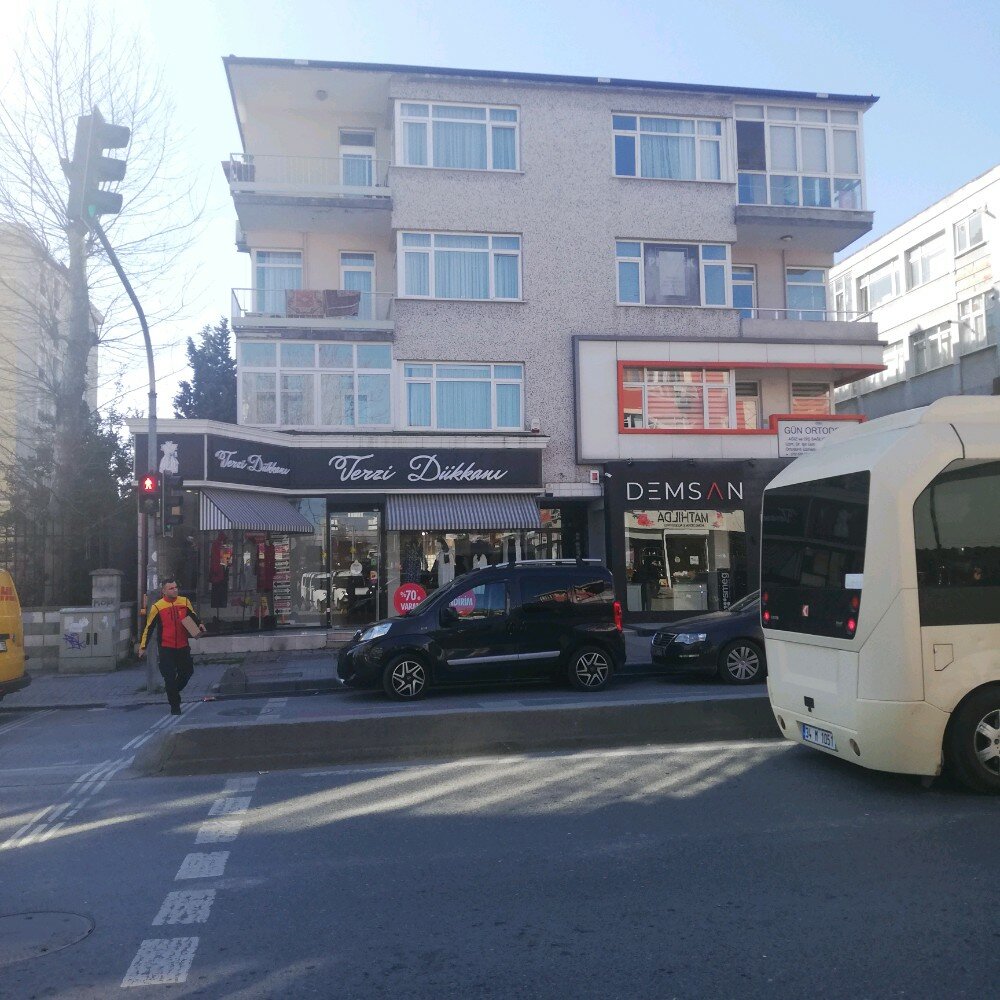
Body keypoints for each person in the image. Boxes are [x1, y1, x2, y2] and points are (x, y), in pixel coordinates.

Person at [138, 578, 206, 715]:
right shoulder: (158, 606)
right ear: (164, 591)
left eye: (176, 587)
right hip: (166, 648)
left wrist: (199, 624)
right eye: (171, 588)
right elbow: (149, 627)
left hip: (183, 646)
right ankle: (175, 706)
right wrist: (143, 646)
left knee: (187, 672)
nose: (175, 590)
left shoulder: (184, 601)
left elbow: (193, 617)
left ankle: (173, 692)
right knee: (169, 678)